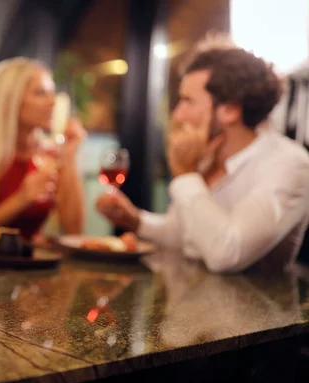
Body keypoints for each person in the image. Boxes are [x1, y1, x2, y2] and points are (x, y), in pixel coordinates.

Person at [96, 39, 309, 273]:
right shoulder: (208, 156)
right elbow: (188, 237)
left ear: (230, 110)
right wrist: (136, 220)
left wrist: (186, 174)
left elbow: (227, 253)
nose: (178, 114)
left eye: (188, 101)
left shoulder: (289, 164)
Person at [0, 57, 86, 241]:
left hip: (33, 264)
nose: (52, 102)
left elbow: (74, 230)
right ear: (10, 100)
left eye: (52, 93)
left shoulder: (50, 156)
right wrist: (23, 198)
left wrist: (69, 156)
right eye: (40, 93)